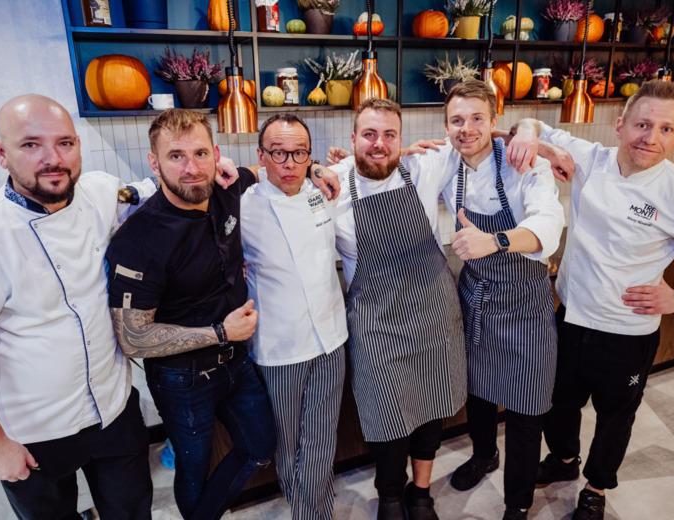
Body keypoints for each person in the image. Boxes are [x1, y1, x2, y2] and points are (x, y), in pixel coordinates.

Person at [510, 80, 674, 520]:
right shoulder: (592, 158)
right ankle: (564, 461)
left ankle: (596, 487)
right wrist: (530, 136)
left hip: (627, 334)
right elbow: (528, 124)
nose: (651, 137)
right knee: (558, 403)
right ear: (620, 126)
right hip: (570, 316)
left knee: (615, 418)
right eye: (643, 124)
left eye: (665, 129)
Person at [0, 94, 157, 519]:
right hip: (34, 434)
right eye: (31, 145)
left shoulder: (101, 192)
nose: (53, 158)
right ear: (1, 153)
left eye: (65, 143)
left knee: (133, 513)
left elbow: (152, 188)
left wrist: (234, 171)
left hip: (113, 410)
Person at [105, 108, 279, 520]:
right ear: (154, 163)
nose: (191, 168)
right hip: (181, 378)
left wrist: (321, 167)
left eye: (200, 153)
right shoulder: (139, 239)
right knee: (194, 469)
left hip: (236, 361)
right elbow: (133, 337)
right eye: (176, 156)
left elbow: (269, 164)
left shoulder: (225, 188)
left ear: (216, 154)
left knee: (260, 448)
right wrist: (220, 332)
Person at [330, 98, 468, 520]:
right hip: (375, 322)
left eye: (390, 135)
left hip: (432, 315)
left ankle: (420, 493)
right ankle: (390, 495)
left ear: (401, 139)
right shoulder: (330, 184)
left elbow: (478, 135)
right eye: (369, 134)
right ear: (352, 139)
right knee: (386, 414)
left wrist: (534, 137)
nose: (379, 143)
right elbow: (269, 180)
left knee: (432, 406)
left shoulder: (423, 167)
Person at [439, 80, 564, 520]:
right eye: (457, 120)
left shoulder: (522, 162)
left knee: (527, 407)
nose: (466, 129)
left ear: (495, 122)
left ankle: (518, 502)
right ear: (447, 125)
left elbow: (549, 224)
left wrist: (495, 240)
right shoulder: (443, 162)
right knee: (477, 390)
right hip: (474, 296)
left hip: (524, 304)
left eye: (477, 118)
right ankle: (483, 454)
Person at [239, 113, 348, 520]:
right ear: (261, 155)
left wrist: (320, 167)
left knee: (322, 441)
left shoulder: (323, 189)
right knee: (289, 445)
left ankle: (315, 514)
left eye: (299, 152)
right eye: (278, 152)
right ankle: (311, 514)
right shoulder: (242, 202)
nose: (288, 163)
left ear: (309, 155)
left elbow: (375, 161)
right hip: (279, 345)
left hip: (332, 337)